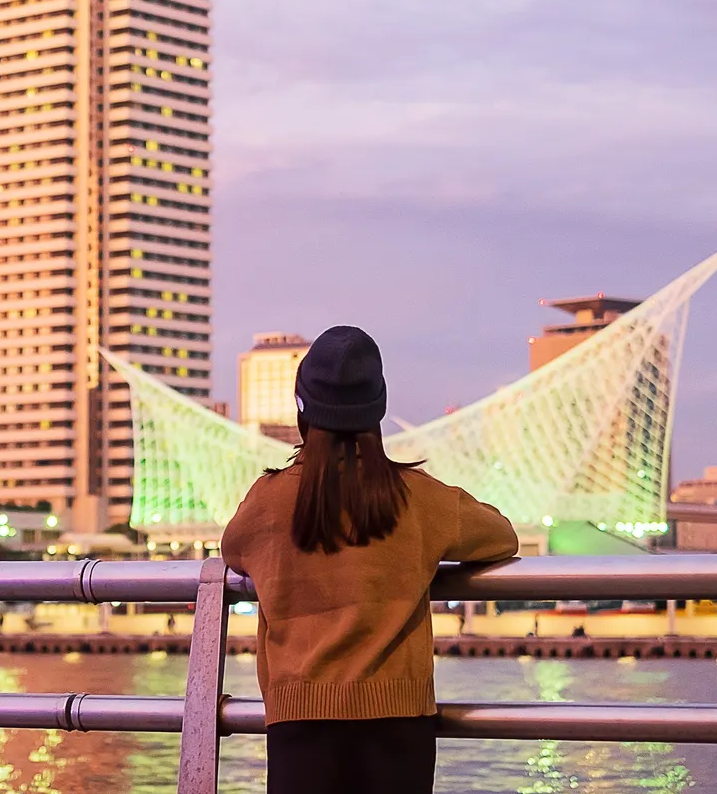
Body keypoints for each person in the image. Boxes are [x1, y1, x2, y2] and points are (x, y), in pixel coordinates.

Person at [220, 326, 518, 794]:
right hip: (399, 725)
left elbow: (232, 550)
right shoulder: (419, 498)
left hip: (300, 721)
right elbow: (502, 536)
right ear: (377, 410)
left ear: (302, 412)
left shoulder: (269, 501)